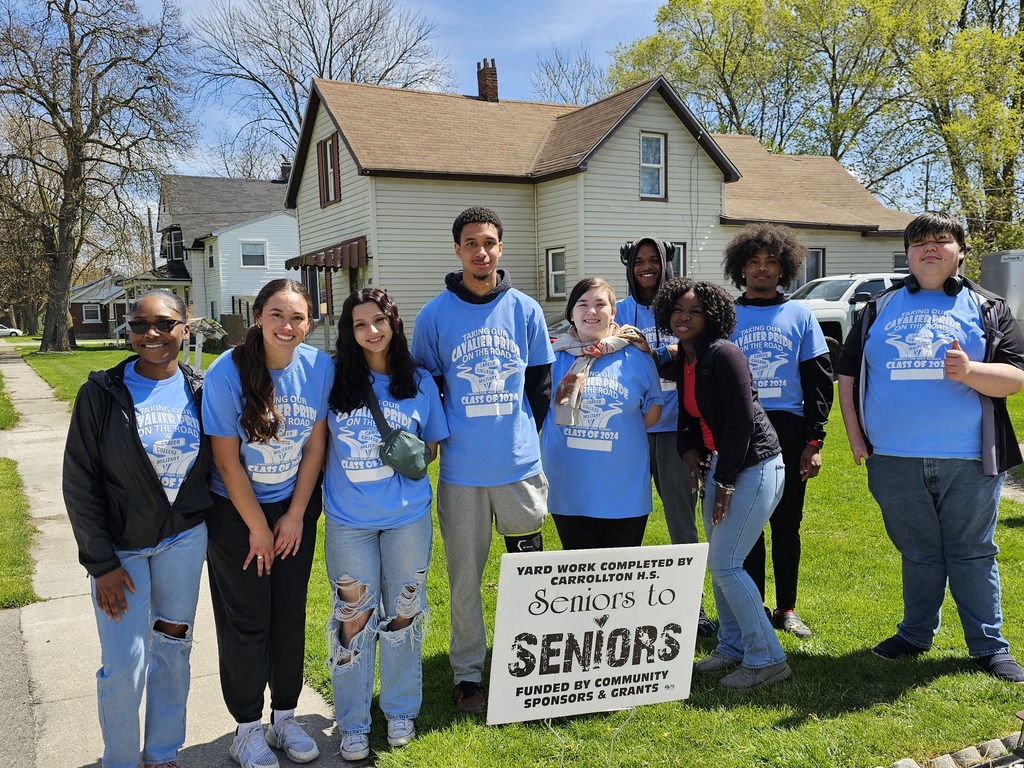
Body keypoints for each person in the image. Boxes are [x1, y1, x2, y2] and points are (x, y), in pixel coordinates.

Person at [837, 210, 1024, 682]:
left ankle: (989, 647)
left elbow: (1015, 377)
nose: (930, 249)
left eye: (942, 240)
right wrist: (856, 436)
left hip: (971, 457)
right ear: (908, 253)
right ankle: (915, 635)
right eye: (920, 242)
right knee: (917, 551)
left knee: (972, 551)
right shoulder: (878, 307)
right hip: (892, 458)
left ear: (960, 251)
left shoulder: (988, 306)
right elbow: (848, 374)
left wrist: (971, 372)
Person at [411, 206, 554, 715]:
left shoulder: (526, 310)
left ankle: (529, 661)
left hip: (518, 471)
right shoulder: (433, 316)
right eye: (471, 243)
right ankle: (468, 674)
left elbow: (539, 388)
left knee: (529, 574)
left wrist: (518, 438)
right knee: (464, 580)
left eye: (489, 242)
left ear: (501, 247)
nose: (481, 251)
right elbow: (427, 393)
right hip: (462, 475)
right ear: (457, 249)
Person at [63, 289, 212, 768]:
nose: (152, 334)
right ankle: (121, 759)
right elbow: (79, 482)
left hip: (182, 541)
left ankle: (163, 752)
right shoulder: (101, 393)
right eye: (140, 325)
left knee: (172, 650)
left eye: (165, 324)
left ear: (184, 328)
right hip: (120, 551)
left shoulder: (202, 390)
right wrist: (100, 563)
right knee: (124, 663)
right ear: (128, 331)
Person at [202, 279, 333, 767]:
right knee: (247, 619)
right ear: (257, 316)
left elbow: (315, 447)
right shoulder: (226, 373)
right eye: (277, 314)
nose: (287, 325)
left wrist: (296, 515)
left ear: (309, 324)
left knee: (288, 614)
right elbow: (226, 461)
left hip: (292, 508)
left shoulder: (319, 367)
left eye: (297, 317)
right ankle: (246, 729)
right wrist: (258, 527)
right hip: (236, 514)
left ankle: (285, 718)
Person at [323, 289, 449, 761]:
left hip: (406, 519)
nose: (371, 331)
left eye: (379, 320)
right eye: (360, 324)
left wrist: (403, 456)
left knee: (402, 613)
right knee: (353, 618)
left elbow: (430, 447)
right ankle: (353, 722)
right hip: (348, 522)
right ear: (349, 332)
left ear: (393, 322)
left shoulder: (419, 381)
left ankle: (399, 710)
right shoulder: (333, 380)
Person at [653, 278, 790, 689]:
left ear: (711, 316)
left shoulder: (725, 353)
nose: (684, 317)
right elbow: (688, 415)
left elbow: (742, 422)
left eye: (694, 311)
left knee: (727, 563)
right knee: (719, 563)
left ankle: (767, 659)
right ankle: (732, 646)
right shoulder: (688, 357)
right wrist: (689, 450)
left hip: (754, 466)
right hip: (722, 466)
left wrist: (726, 481)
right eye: (678, 309)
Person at [723, 223, 833, 639]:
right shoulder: (726, 316)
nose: (762, 269)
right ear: (741, 267)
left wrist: (814, 440)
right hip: (739, 428)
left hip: (787, 427)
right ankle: (753, 607)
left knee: (786, 524)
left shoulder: (801, 316)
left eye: (771, 262)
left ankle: (787, 608)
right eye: (754, 261)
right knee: (746, 526)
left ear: (784, 268)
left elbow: (818, 382)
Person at [616, 238, 717, 635]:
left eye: (653, 259)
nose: (646, 267)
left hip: (677, 429)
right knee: (623, 517)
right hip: (631, 429)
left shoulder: (681, 306)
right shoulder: (618, 310)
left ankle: (693, 605)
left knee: (681, 520)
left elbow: (694, 351)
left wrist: (658, 353)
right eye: (639, 260)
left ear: (666, 263)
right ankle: (621, 603)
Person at [545, 277, 663, 548]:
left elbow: (653, 411)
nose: (592, 311)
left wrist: (618, 430)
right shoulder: (552, 358)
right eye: (582, 304)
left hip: (624, 490)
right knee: (579, 568)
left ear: (613, 311)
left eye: (600, 304)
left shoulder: (637, 355)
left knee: (622, 570)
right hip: (569, 487)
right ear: (571, 313)